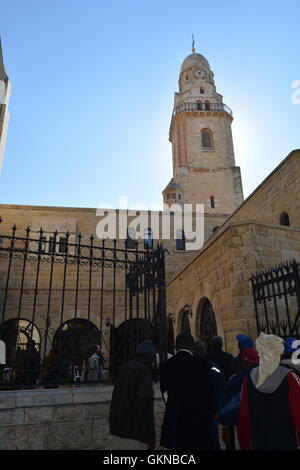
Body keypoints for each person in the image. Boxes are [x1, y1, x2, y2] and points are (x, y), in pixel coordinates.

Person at [239, 332, 300, 450]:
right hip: (287, 442)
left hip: (259, 442)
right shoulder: (289, 377)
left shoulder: (249, 378)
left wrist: (245, 445)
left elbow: (243, 418)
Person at [160, 333, 213, 450]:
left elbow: (164, 393)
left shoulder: (166, 365)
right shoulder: (201, 364)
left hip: (175, 418)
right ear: (192, 346)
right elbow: (209, 391)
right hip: (197, 418)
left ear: (175, 347)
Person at [107, 339, 156, 450]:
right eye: (152, 359)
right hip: (134, 435)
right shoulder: (143, 371)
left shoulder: (125, 367)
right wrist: (150, 436)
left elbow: (115, 399)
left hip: (116, 431)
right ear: (148, 357)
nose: (152, 363)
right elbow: (144, 406)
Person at [221, 347, 259, 449]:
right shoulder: (270, 375)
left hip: (245, 426)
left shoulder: (238, 378)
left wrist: (225, 425)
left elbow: (227, 405)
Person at [194, 340, 226, 450]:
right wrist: (218, 409)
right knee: (212, 439)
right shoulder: (213, 367)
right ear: (204, 351)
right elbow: (220, 388)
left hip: (193, 411)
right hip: (211, 411)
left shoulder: (186, 367)